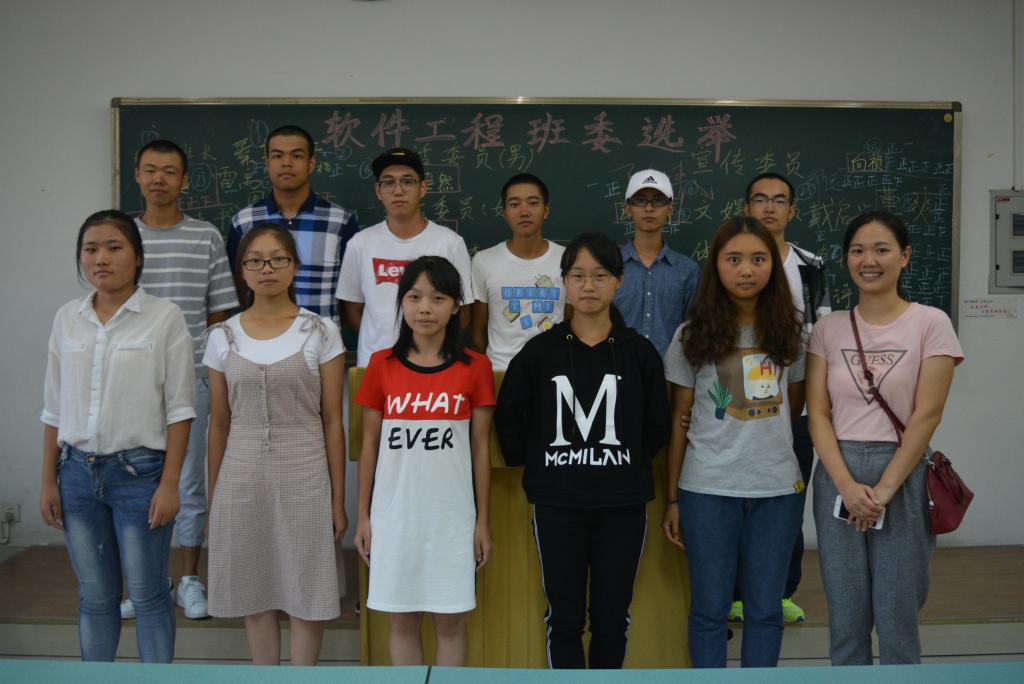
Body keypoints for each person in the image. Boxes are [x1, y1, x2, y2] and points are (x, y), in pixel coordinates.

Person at [496, 233, 669, 670]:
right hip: (558, 503)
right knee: (565, 619)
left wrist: (624, 463)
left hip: (623, 504)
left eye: (600, 275)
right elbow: (509, 414)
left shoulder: (640, 353)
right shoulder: (539, 352)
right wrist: (537, 463)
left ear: (619, 281)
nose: (588, 286)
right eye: (578, 276)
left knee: (612, 620)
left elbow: (656, 425)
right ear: (564, 282)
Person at [806, 210, 963, 665]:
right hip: (838, 473)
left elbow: (927, 415)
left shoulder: (931, 322)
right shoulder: (828, 328)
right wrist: (847, 487)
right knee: (846, 618)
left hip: (903, 472)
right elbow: (818, 414)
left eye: (881, 249)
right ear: (846, 259)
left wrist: (884, 491)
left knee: (898, 616)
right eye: (857, 250)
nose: (868, 260)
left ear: (905, 256)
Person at [39, 210, 195, 662]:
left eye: (113, 248)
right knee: (95, 596)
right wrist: (48, 480)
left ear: (138, 257)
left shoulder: (164, 317)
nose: (100, 259)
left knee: (148, 595)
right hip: (76, 474)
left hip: (140, 474)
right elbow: (53, 407)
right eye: (90, 249)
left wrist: (170, 485)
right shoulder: (67, 318)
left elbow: (180, 410)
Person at [661, 216, 806, 668]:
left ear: (773, 266)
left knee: (765, 611)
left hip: (776, 490)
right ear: (716, 265)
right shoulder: (690, 335)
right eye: (734, 259)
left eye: (758, 259)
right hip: (707, 490)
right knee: (709, 610)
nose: (746, 270)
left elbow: (794, 409)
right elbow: (679, 421)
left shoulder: (794, 333)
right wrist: (672, 499)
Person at [204, 223, 346, 665]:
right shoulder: (222, 335)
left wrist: (338, 499)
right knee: (255, 589)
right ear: (242, 271)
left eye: (278, 259)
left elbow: (333, 421)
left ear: (295, 266)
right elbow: (218, 424)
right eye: (255, 261)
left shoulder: (320, 331)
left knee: (307, 589)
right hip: (241, 476)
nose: (267, 269)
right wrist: (213, 499)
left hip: (305, 473)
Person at [354, 256, 494, 666]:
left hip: (451, 519)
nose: (425, 309)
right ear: (402, 303)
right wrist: (363, 516)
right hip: (394, 517)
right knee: (402, 620)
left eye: (438, 298)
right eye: (414, 297)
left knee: (450, 621)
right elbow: (369, 446)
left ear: (456, 307)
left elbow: (480, 449)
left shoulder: (476, 367)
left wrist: (482, 521)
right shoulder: (381, 364)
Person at [122, 139, 238, 621]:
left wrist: (205, 368)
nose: (159, 179)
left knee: (190, 481)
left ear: (184, 180)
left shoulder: (206, 236)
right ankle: (146, 584)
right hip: (131, 380)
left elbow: (220, 311)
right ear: (137, 175)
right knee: (134, 481)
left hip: (191, 379)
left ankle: (190, 579)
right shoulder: (122, 236)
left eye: (169, 171)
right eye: (150, 170)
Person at [729, 171, 832, 623]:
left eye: (778, 200)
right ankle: (736, 593)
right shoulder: (732, 260)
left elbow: (823, 333)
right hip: (737, 405)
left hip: (796, 402)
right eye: (760, 199)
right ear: (746, 208)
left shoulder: (810, 265)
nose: (769, 207)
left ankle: (782, 592)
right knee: (736, 502)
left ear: (792, 210)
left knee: (787, 501)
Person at [337, 147, 473, 367]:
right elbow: (352, 308)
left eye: (407, 181)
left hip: (436, 364)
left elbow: (463, 310)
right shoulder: (360, 243)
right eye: (388, 182)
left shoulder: (450, 243)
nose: (398, 190)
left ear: (423, 188)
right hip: (376, 363)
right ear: (378, 191)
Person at [228, 124, 359, 327]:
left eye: (297, 156)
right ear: (267, 163)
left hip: (321, 338)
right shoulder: (244, 221)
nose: (286, 163)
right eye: (277, 156)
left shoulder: (340, 221)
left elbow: (351, 292)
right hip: (260, 338)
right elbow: (237, 285)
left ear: (311, 163)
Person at [470, 173, 567, 369]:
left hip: (553, 368)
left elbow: (572, 319)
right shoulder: (484, 261)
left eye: (533, 203)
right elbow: (477, 330)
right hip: (501, 370)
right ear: (504, 213)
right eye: (514, 204)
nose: (524, 212)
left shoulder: (567, 259)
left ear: (546, 210)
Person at [613, 169, 700, 357]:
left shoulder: (687, 270)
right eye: (640, 200)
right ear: (627, 208)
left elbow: (693, 330)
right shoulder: (609, 265)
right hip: (616, 367)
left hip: (668, 371)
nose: (649, 208)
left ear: (670, 208)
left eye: (659, 201)